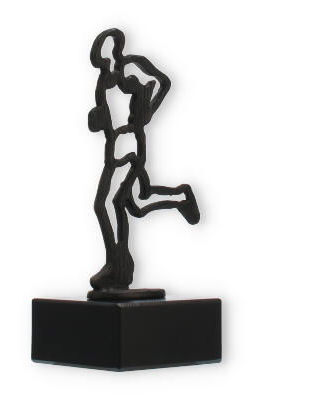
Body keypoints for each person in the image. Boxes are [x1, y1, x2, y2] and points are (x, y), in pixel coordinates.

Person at [88, 28, 200, 291]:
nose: (102, 59)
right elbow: (106, 113)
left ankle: (118, 264)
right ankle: (181, 198)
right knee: (137, 202)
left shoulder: (131, 69)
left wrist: (146, 112)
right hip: (115, 146)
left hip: (130, 144)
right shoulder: (105, 80)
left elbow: (164, 83)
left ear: (116, 48)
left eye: (105, 52)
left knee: (109, 203)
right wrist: (97, 119)